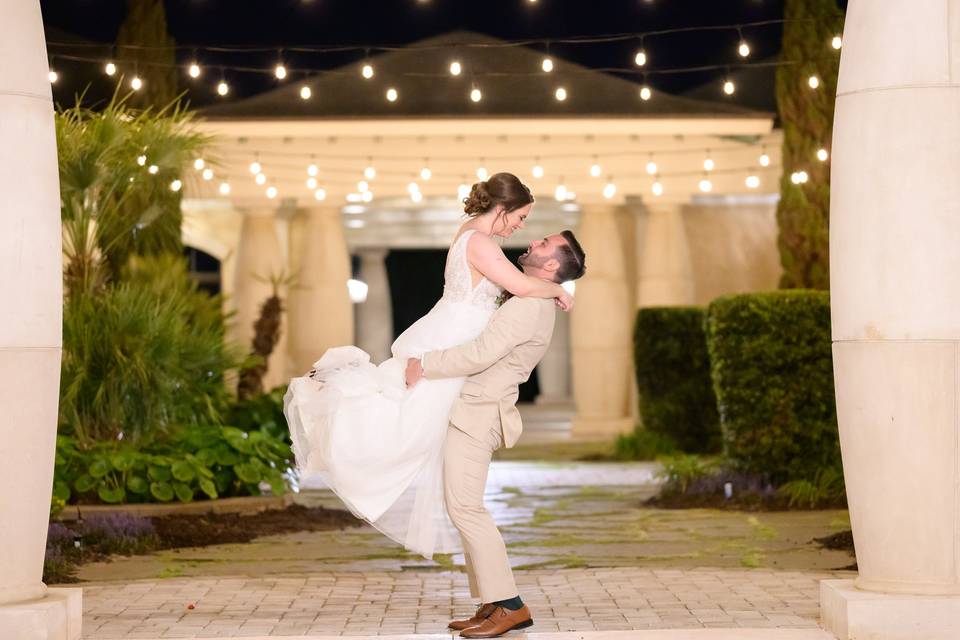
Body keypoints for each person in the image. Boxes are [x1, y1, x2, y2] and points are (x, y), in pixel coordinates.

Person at [283, 172, 572, 559]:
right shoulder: (481, 242)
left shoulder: (472, 235)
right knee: (408, 424)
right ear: (502, 209)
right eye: (520, 218)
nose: (522, 226)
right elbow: (520, 287)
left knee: (414, 421)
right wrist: (557, 288)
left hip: (452, 331)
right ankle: (344, 426)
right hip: (452, 338)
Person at [404, 230, 586, 638]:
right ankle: (491, 602)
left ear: (553, 265)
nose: (533, 242)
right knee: (463, 508)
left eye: (543, 244)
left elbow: (481, 353)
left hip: (480, 413)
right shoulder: (533, 296)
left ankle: (511, 606)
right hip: (474, 410)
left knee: (466, 509)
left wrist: (425, 364)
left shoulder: (529, 306)